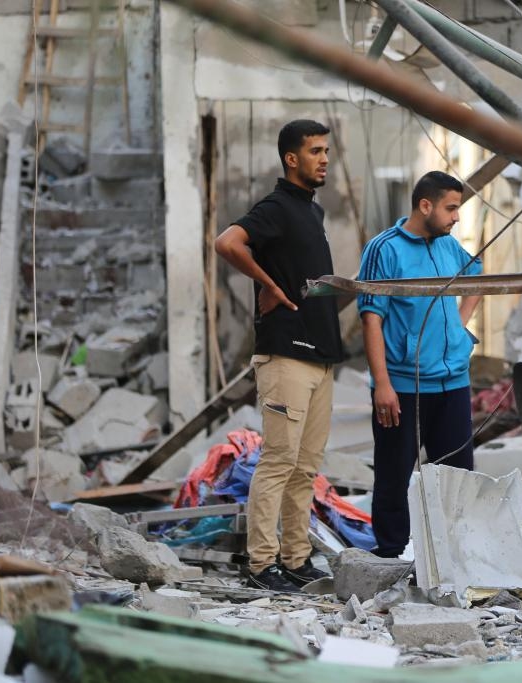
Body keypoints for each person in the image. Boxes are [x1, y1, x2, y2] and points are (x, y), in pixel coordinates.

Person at [214, 119, 344, 592]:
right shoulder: (277, 207)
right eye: (315, 151)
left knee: (305, 467)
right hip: (286, 354)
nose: (324, 159)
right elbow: (227, 242)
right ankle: (260, 564)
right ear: (292, 158)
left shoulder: (313, 212)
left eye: (326, 150)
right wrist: (267, 284)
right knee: (278, 461)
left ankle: (295, 558)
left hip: (321, 356)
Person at [357, 171, 483, 558]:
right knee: (395, 475)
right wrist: (382, 383)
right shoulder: (385, 249)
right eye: (451, 208)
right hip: (404, 386)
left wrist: (457, 330)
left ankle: (457, 556)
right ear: (425, 205)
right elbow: (371, 317)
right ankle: (392, 553)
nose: (456, 217)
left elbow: (476, 277)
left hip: (454, 382)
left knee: (458, 477)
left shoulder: (448, 246)